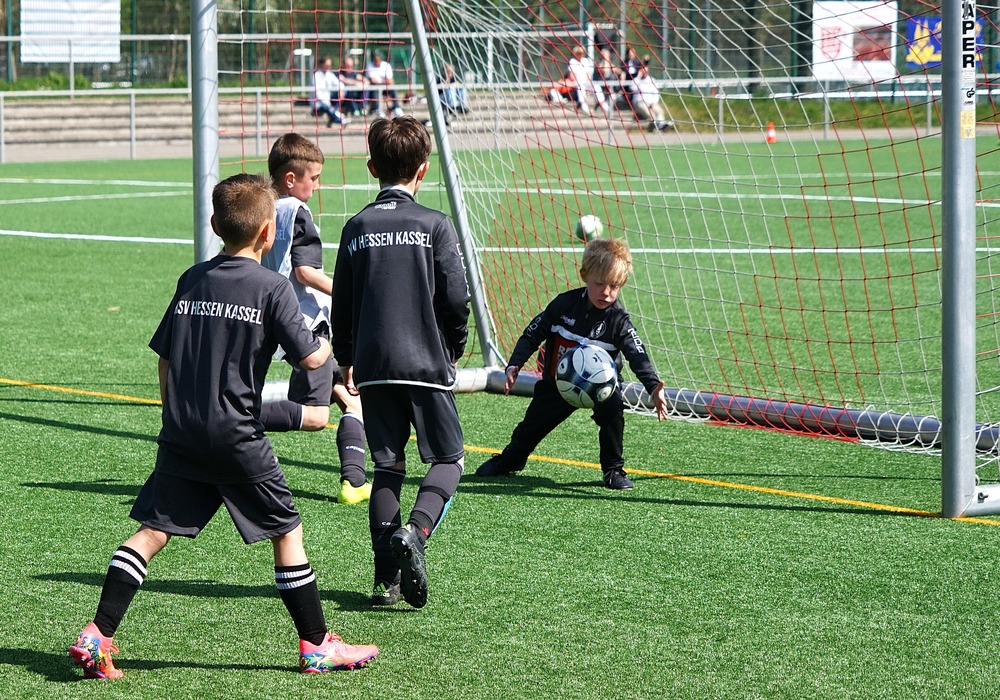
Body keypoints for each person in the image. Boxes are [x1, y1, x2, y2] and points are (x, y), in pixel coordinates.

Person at [67, 173, 378, 679]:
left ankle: (97, 634)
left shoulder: (192, 279)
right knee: (287, 531)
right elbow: (309, 359)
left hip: (183, 432)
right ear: (268, 233)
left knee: (151, 533)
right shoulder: (272, 287)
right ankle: (318, 645)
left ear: (214, 225)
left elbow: (165, 357)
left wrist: (173, 414)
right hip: (237, 436)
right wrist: (329, 342)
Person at [331, 116, 470, 610]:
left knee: (387, 467)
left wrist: (347, 358)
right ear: (424, 168)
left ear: (371, 168)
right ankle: (416, 531)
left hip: (373, 366)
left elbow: (342, 303)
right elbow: (455, 298)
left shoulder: (355, 227)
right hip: (426, 363)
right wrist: (454, 345)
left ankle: (383, 581)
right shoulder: (435, 224)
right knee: (449, 460)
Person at [475, 237, 669, 490]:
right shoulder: (563, 304)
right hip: (557, 385)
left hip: (602, 389)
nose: (606, 292)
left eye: (614, 285)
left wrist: (653, 387)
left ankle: (613, 470)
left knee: (613, 413)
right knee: (530, 427)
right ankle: (510, 460)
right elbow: (532, 334)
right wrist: (515, 364)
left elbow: (637, 355)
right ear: (584, 275)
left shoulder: (619, 320)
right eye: (600, 283)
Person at [260, 133, 372, 506]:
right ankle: (234, 418)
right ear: (291, 179)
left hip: (279, 318)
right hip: (307, 326)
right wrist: (347, 292)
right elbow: (305, 272)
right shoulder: (297, 211)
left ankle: (354, 481)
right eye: (315, 178)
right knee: (315, 416)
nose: (318, 186)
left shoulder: (265, 208)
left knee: (350, 399)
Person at [568, 45, 609, 115]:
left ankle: (603, 104)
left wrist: (586, 81)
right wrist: (579, 81)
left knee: (596, 86)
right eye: (579, 53)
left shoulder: (585, 61)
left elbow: (588, 75)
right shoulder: (572, 61)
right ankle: (584, 106)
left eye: (582, 53)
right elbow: (571, 76)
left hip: (586, 81)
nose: (581, 55)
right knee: (581, 87)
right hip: (576, 82)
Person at [631, 64, 672, 132]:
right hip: (640, 103)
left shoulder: (652, 80)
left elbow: (656, 93)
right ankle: (659, 126)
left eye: (646, 71)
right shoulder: (636, 80)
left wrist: (653, 103)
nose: (644, 73)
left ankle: (661, 125)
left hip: (651, 102)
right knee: (650, 114)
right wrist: (638, 77)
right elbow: (633, 88)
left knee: (659, 111)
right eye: (643, 71)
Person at [311, 57, 350, 128]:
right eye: (327, 65)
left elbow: (340, 84)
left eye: (330, 65)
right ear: (322, 65)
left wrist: (341, 91)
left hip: (328, 101)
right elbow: (317, 94)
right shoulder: (316, 76)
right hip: (319, 103)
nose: (329, 67)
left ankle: (335, 113)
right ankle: (340, 120)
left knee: (342, 93)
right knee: (327, 107)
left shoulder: (329, 74)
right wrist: (327, 103)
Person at [365, 52, 403, 118]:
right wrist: (384, 82)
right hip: (374, 88)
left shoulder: (386, 65)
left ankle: (397, 108)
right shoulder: (370, 65)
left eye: (377, 60)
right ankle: (378, 110)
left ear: (381, 60)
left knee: (392, 88)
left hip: (385, 87)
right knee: (376, 89)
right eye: (374, 60)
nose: (375, 62)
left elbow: (391, 81)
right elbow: (372, 80)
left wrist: (380, 82)